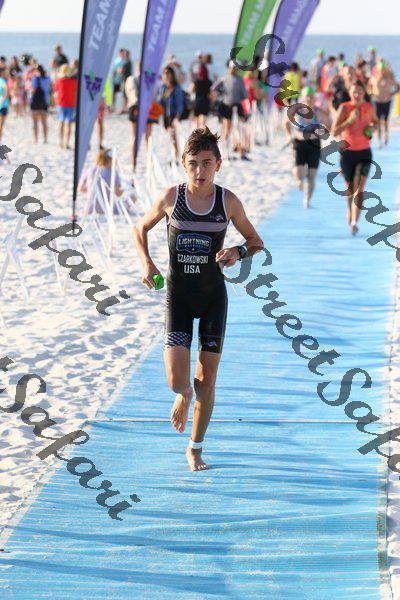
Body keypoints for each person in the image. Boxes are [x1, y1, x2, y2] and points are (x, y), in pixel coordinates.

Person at [132, 127, 264, 471]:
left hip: (212, 300)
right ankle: (184, 395)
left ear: (218, 164)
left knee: (207, 381)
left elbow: (255, 241)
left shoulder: (228, 202)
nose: (200, 171)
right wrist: (147, 262)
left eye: (207, 163)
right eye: (193, 163)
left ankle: (195, 448)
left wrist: (237, 251)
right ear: (184, 164)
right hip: (178, 298)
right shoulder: (170, 198)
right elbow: (139, 228)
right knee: (178, 381)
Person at [331, 80, 378, 235]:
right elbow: (334, 131)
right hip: (347, 154)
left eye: (360, 92)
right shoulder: (344, 108)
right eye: (354, 92)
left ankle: (354, 222)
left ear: (364, 92)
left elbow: (376, 123)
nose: (357, 95)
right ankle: (350, 211)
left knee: (359, 188)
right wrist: (350, 120)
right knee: (351, 190)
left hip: (364, 153)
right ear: (350, 93)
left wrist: (371, 129)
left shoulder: (369, 107)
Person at [285, 86, 322, 208]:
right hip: (299, 144)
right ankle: (300, 178)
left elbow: (329, 123)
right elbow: (286, 123)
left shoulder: (318, 111)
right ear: (303, 98)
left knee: (312, 176)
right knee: (299, 174)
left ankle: (307, 200)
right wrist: (289, 136)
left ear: (314, 98)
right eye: (307, 96)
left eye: (311, 97)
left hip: (314, 144)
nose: (309, 99)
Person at [212, 61, 249, 160]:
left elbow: (214, 89)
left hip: (232, 106)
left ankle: (235, 151)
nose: (234, 69)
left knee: (236, 129)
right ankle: (227, 152)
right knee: (232, 130)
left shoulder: (227, 78)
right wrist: (220, 94)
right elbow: (244, 95)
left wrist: (220, 94)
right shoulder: (231, 79)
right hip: (229, 106)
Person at [78, 148, 124, 214]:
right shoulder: (113, 172)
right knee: (133, 197)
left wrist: (92, 189)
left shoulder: (90, 169)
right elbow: (118, 193)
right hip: (108, 209)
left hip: (90, 209)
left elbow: (80, 188)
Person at [368, 60, 399, 147]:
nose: (382, 72)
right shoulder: (373, 78)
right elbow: (368, 87)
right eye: (380, 70)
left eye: (383, 70)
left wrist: (392, 94)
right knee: (377, 120)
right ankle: (379, 140)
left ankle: (386, 135)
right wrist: (371, 93)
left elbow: (398, 87)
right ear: (377, 70)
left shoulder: (389, 79)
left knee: (385, 120)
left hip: (386, 101)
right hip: (377, 101)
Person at [158, 66, 185, 162]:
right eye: (165, 73)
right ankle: (170, 155)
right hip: (165, 115)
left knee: (174, 136)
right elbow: (160, 102)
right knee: (168, 136)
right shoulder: (163, 87)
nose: (166, 75)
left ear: (172, 74)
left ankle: (176, 156)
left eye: (168, 73)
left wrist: (177, 117)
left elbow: (179, 103)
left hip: (173, 114)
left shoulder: (176, 87)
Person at [53, 64, 77, 149]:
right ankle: (67, 142)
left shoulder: (58, 81)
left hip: (61, 103)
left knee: (61, 123)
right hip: (71, 104)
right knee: (69, 124)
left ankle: (61, 142)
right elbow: (75, 93)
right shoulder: (74, 82)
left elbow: (55, 91)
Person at [30, 65, 51, 143]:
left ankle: (36, 139)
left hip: (36, 102)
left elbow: (33, 89)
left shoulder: (35, 79)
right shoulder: (48, 79)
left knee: (35, 122)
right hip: (45, 101)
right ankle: (45, 139)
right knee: (44, 122)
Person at [0, 67, 10, 141]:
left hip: (3, 105)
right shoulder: (3, 80)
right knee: (1, 125)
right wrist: (2, 99)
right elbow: (6, 89)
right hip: (3, 105)